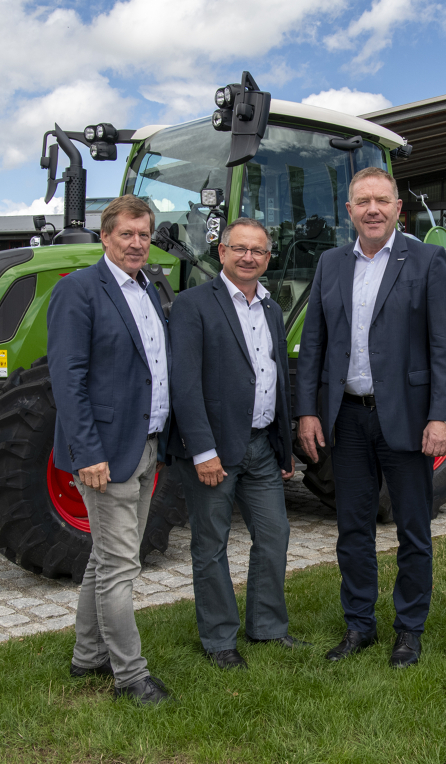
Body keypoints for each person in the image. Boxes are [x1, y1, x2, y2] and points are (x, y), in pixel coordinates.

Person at [295, 166, 446, 669]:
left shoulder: (427, 261)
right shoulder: (330, 263)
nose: (372, 209)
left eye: (382, 201)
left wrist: (441, 417)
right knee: (352, 529)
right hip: (347, 418)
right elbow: (314, 345)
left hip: (407, 419)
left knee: (413, 529)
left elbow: (445, 347)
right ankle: (359, 625)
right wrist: (307, 410)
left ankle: (409, 630)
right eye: (363, 201)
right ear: (349, 211)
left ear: (397, 209)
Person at [47, 196, 172, 705]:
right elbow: (67, 379)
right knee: (121, 567)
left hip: (146, 443)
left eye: (144, 235)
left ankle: (88, 656)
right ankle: (131, 677)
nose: (137, 243)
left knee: (107, 559)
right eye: (127, 234)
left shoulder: (148, 290)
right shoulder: (79, 290)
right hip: (106, 454)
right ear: (105, 237)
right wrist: (87, 452)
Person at [169, 217, 305, 670]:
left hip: (262, 446)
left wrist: (283, 446)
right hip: (214, 451)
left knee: (275, 534)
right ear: (222, 252)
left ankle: (267, 627)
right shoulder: (192, 305)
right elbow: (184, 383)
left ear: (268, 258)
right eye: (240, 248)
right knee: (211, 544)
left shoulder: (272, 308)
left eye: (258, 251)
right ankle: (219, 639)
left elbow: (277, 378)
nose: (249, 257)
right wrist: (202, 450)